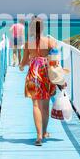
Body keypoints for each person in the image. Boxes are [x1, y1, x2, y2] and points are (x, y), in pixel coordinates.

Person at [19, 17, 57, 146]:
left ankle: (39, 136)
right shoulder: (50, 42)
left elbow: (24, 61)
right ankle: (45, 131)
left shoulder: (27, 44)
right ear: (43, 27)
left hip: (33, 74)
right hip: (45, 72)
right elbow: (55, 60)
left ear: (31, 28)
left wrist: (21, 66)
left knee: (36, 105)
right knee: (45, 105)